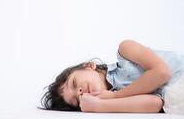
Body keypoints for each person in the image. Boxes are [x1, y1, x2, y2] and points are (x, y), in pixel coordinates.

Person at [41, 39, 184, 113]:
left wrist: (116, 96)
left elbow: (162, 72)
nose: (79, 92)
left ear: (89, 66)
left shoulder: (125, 51)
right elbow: (156, 104)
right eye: (76, 100)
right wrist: (101, 105)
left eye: (73, 83)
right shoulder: (116, 100)